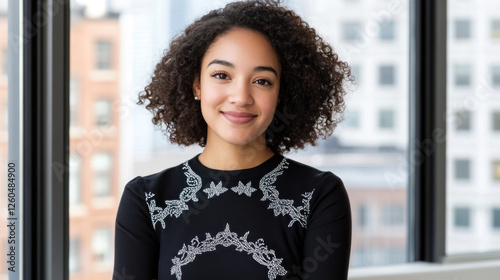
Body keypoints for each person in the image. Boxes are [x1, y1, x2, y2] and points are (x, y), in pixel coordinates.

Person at [114, 1, 352, 279]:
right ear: (197, 85)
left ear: (282, 93)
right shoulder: (147, 199)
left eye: (262, 80)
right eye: (222, 75)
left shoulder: (319, 197)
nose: (241, 97)